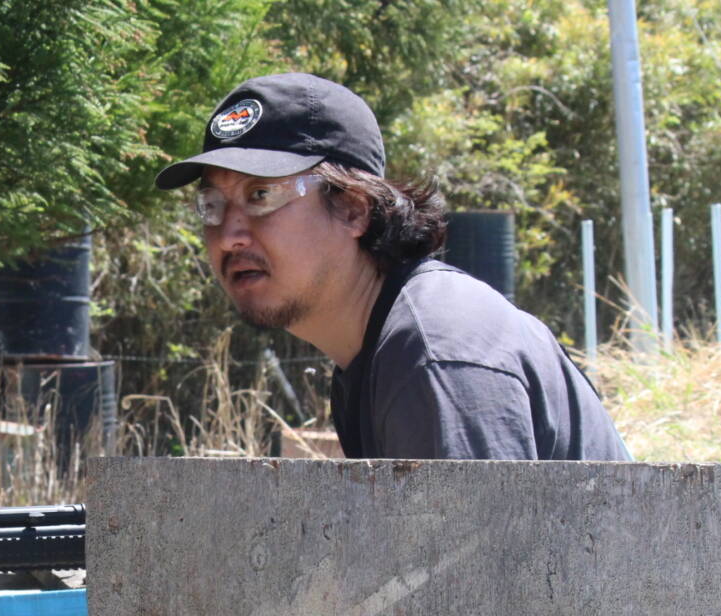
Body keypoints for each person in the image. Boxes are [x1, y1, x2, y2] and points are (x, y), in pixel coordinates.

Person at [156, 72, 630, 461]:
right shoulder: (379, 350)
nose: (229, 234)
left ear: (353, 208)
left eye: (261, 195)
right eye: (213, 205)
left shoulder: (435, 354)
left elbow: (477, 554)